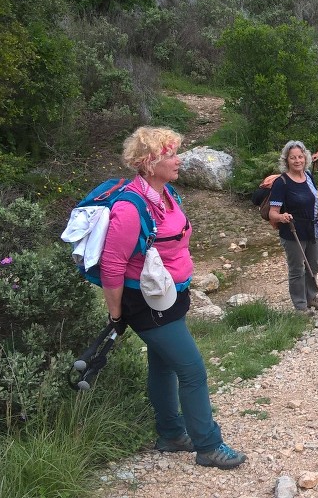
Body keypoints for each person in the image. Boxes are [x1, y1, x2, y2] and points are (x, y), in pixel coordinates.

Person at [99, 126, 247, 469]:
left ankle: (171, 434)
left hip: (171, 297)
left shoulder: (166, 194)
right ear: (150, 163)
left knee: (163, 366)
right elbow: (112, 264)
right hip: (146, 304)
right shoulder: (130, 207)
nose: (178, 160)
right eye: (170, 154)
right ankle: (208, 445)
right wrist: (116, 316)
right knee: (192, 370)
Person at [268, 140, 318, 315]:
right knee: (297, 268)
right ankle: (300, 305)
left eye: (300, 157)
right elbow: (272, 213)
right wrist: (282, 216)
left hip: (312, 229)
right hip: (292, 232)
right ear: (286, 160)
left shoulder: (308, 176)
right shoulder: (281, 183)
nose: (297, 160)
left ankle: (311, 296)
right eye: (293, 158)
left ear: (305, 158)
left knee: (313, 266)